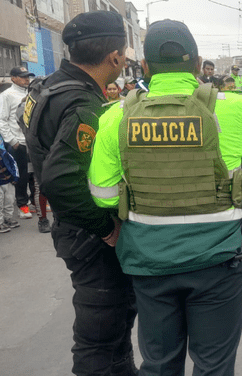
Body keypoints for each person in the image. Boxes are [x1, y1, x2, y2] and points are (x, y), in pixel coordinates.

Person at [88, 19, 242, 376]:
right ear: (197, 65)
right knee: (213, 366)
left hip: (150, 264)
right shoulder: (230, 107)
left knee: (160, 364)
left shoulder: (116, 116)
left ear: (145, 68)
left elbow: (103, 195)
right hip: (218, 261)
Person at [22, 11, 137, 376]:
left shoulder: (46, 87)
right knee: (100, 331)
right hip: (89, 236)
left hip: (74, 230)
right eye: (125, 56)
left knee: (117, 316)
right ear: (115, 58)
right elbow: (59, 180)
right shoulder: (84, 106)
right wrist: (106, 229)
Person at [0, 66, 34, 220]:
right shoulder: (6, 95)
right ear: (13, 78)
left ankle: (36, 201)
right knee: (21, 175)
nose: (26, 79)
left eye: (28, 76)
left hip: (32, 141)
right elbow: (2, 119)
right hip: (17, 142)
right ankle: (22, 205)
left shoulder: (32, 93)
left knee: (35, 174)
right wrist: (12, 141)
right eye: (22, 76)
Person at [0, 134, 19, 233]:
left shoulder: (5, 154)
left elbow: (13, 164)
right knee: (0, 203)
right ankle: (0, 222)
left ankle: (8, 218)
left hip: (8, 181)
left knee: (9, 200)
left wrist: (15, 176)